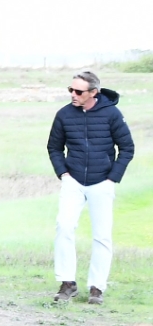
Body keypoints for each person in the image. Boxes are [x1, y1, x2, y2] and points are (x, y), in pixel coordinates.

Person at [49, 70, 134, 306]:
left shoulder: (112, 114)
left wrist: (112, 179)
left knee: (102, 236)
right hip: (73, 181)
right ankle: (67, 283)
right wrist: (63, 173)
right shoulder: (64, 114)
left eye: (78, 91)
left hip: (102, 182)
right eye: (70, 90)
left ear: (93, 92)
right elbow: (54, 147)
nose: (73, 95)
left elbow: (127, 148)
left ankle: (97, 287)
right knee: (64, 227)